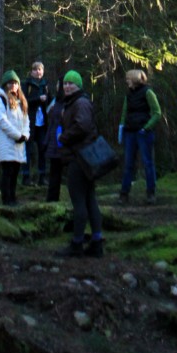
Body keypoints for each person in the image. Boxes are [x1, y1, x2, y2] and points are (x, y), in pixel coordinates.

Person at [60, 69, 104, 258]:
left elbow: (83, 126)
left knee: (80, 201)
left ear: (78, 85)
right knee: (89, 199)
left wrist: (64, 137)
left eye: (71, 83)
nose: (67, 86)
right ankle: (96, 241)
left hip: (80, 158)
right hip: (81, 157)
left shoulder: (81, 103)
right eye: (65, 83)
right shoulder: (73, 103)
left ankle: (77, 243)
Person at [118, 66, 161, 204]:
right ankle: (124, 193)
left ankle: (151, 193)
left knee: (148, 163)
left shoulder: (148, 92)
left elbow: (157, 113)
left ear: (135, 79)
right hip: (130, 132)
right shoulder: (128, 94)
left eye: (128, 79)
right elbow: (125, 112)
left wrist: (146, 128)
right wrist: (121, 127)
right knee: (128, 164)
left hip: (143, 133)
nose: (127, 81)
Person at [0, 70, 30, 205]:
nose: (13, 85)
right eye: (10, 83)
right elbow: (2, 121)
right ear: (5, 85)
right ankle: (6, 199)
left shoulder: (21, 102)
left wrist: (25, 135)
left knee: (15, 172)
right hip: (6, 142)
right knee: (7, 172)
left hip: (19, 145)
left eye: (15, 83)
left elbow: (26, 121)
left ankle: (13, 198)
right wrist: (17, 135)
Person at [21, 59, 49, 186]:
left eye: (40, 69)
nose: (38, 72)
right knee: (28, 149)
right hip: (29, 122)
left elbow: (49, 100)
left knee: (42, 148)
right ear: (31, 72)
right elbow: (24, 101)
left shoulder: (45, 85)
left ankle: (42, 176)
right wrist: (38, 99)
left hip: (42, 123)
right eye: (35, 69)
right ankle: (26, 176)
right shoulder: (27, 84)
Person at [44, 77, 67, 203]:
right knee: (54, 171)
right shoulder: (56, 101)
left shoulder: (68, 102)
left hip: (63, 140)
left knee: (61, 171)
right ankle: (52, 199)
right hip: (54, 140)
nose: (57, 86)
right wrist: (46, 141)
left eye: (59, 83)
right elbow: (52, 123)